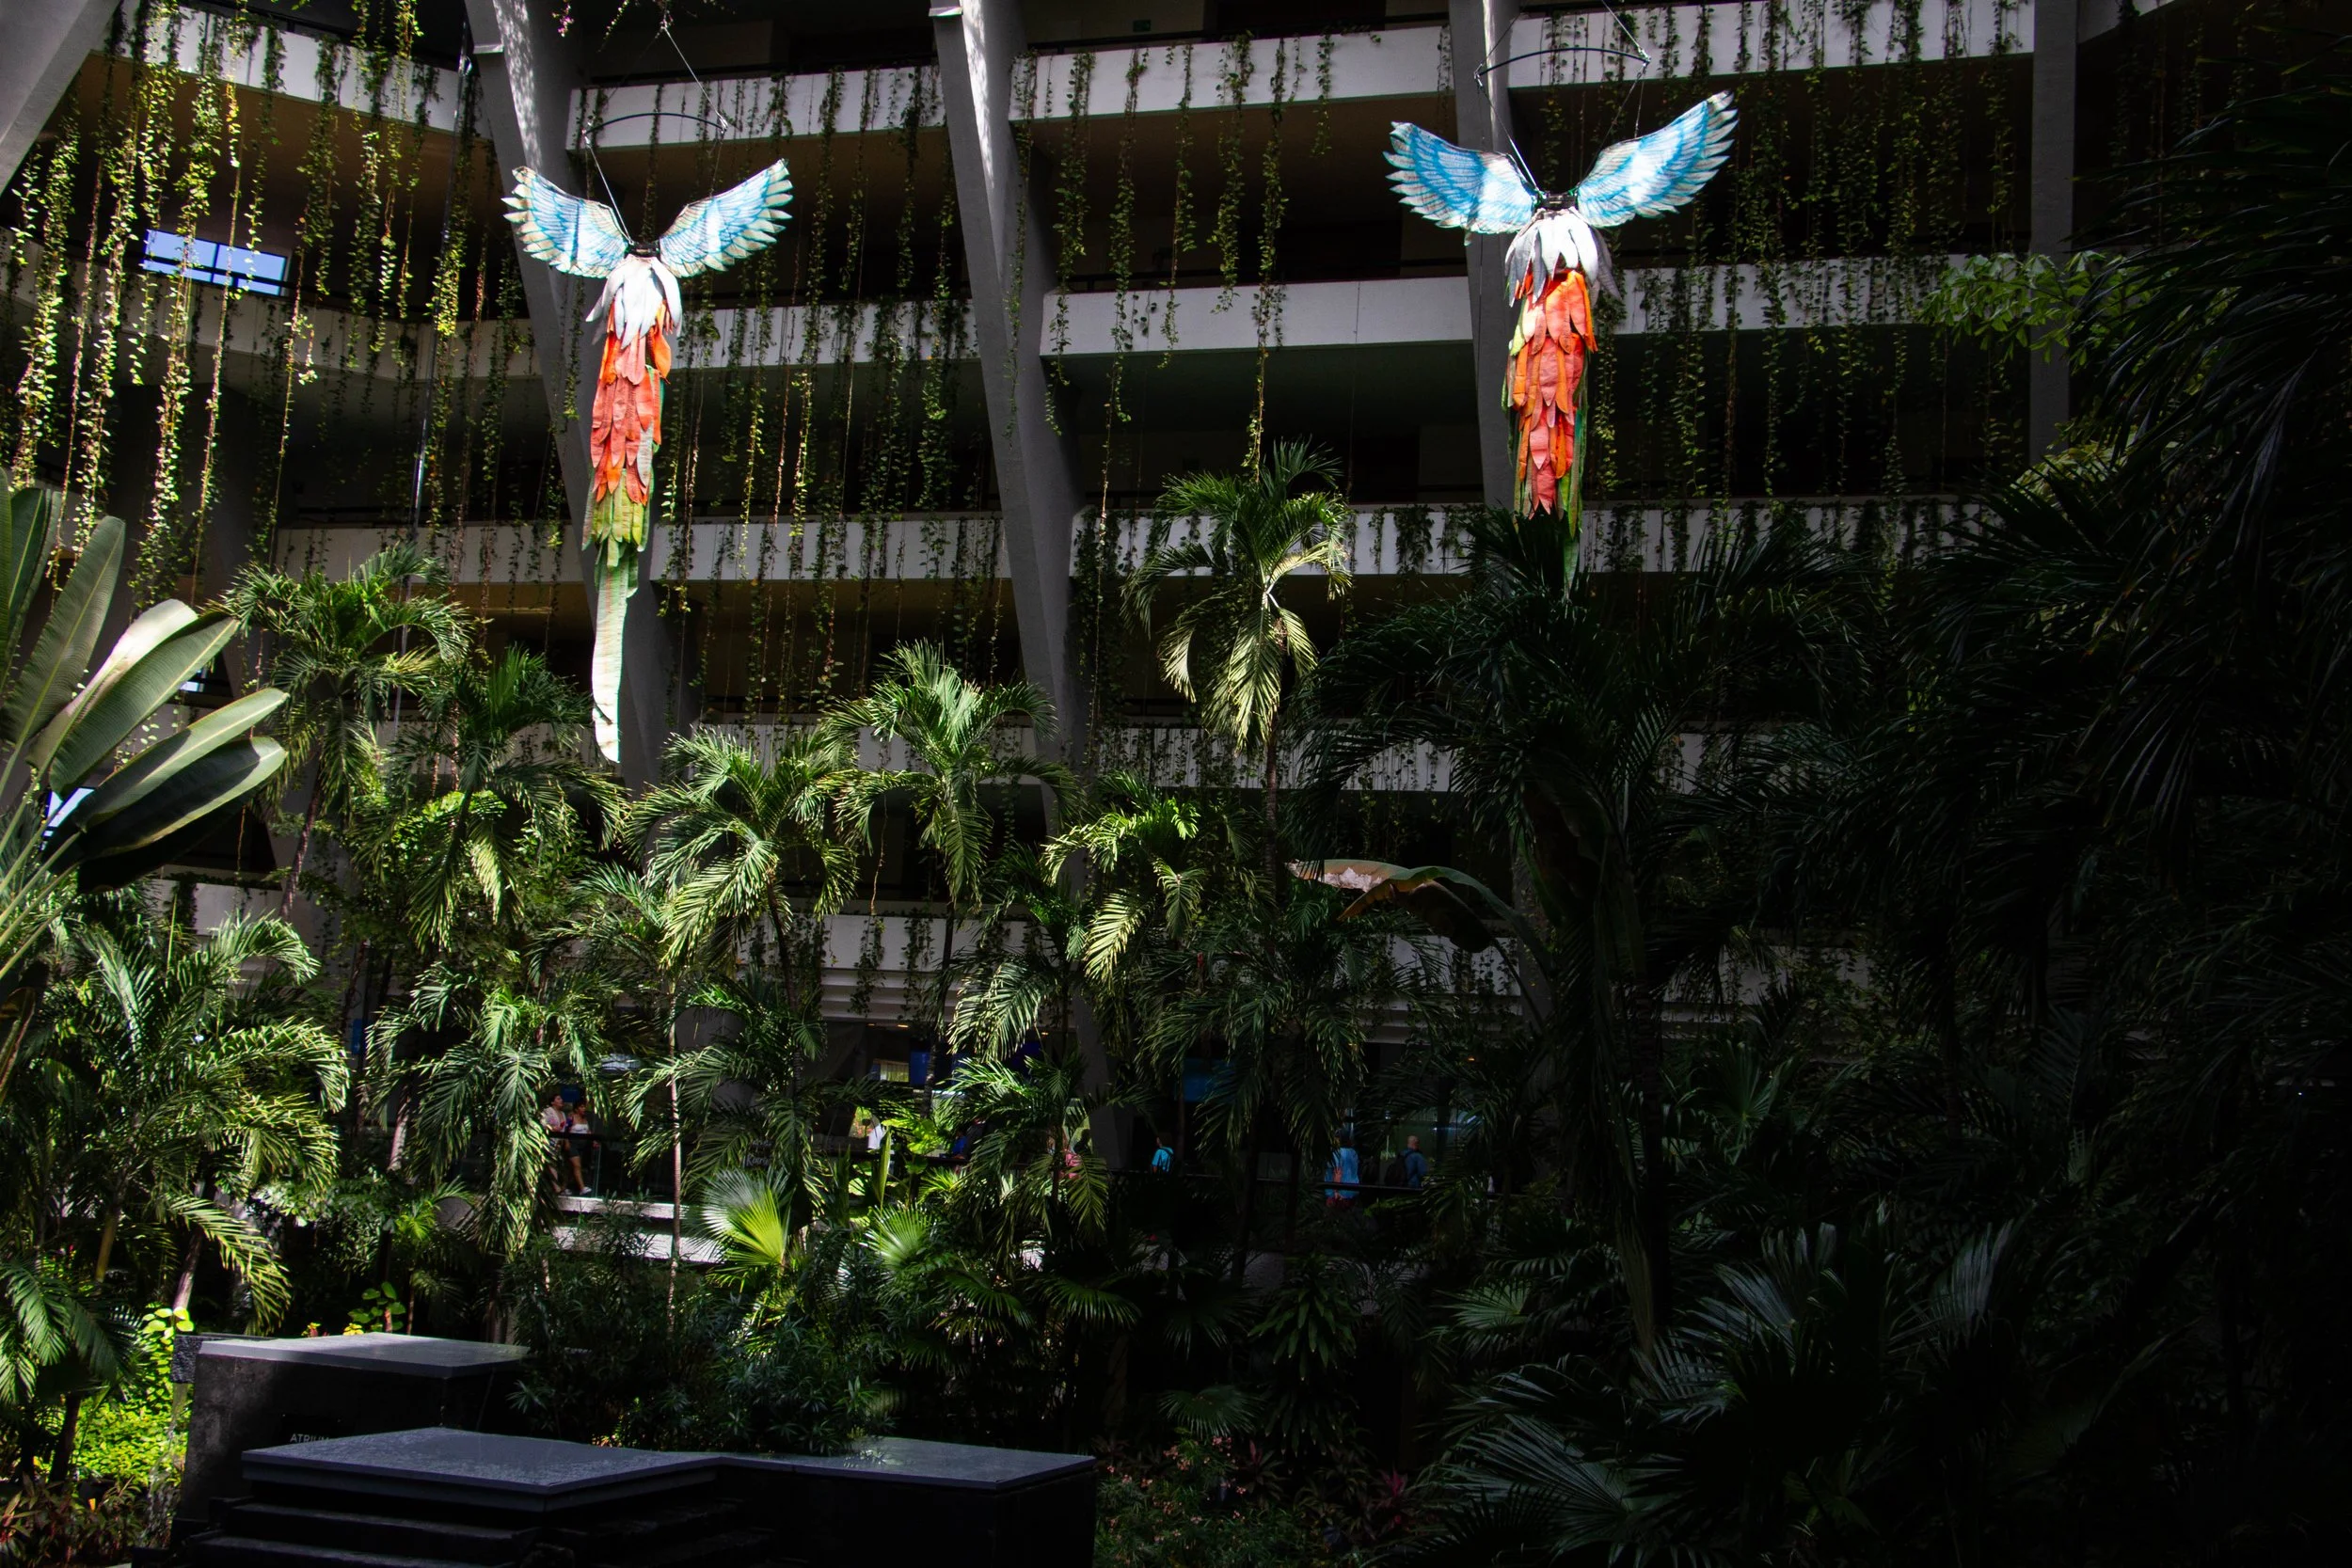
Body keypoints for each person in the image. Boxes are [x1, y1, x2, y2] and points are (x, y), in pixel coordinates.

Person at [541, 1089, 583, 1195]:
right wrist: (551, 1128)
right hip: (549, 1142)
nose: (561, 1100)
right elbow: (543, 1123)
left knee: (561, 1165)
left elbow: (564, 1129)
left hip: (559, 1144)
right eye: (558, 1099)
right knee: (551, 1164)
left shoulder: (563, 1114)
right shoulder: (548, 1111)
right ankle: (556, 1188)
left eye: (561, 1098)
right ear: (552, 1102)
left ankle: (561, 1187)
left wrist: (565, 1141)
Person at [1325, 1138, 1361, 1207]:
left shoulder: (1337, 1153)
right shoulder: (1353, 1152)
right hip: (1352, 1191)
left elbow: (1338, 1173)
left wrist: (1335, 1192)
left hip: (1338, 1195)